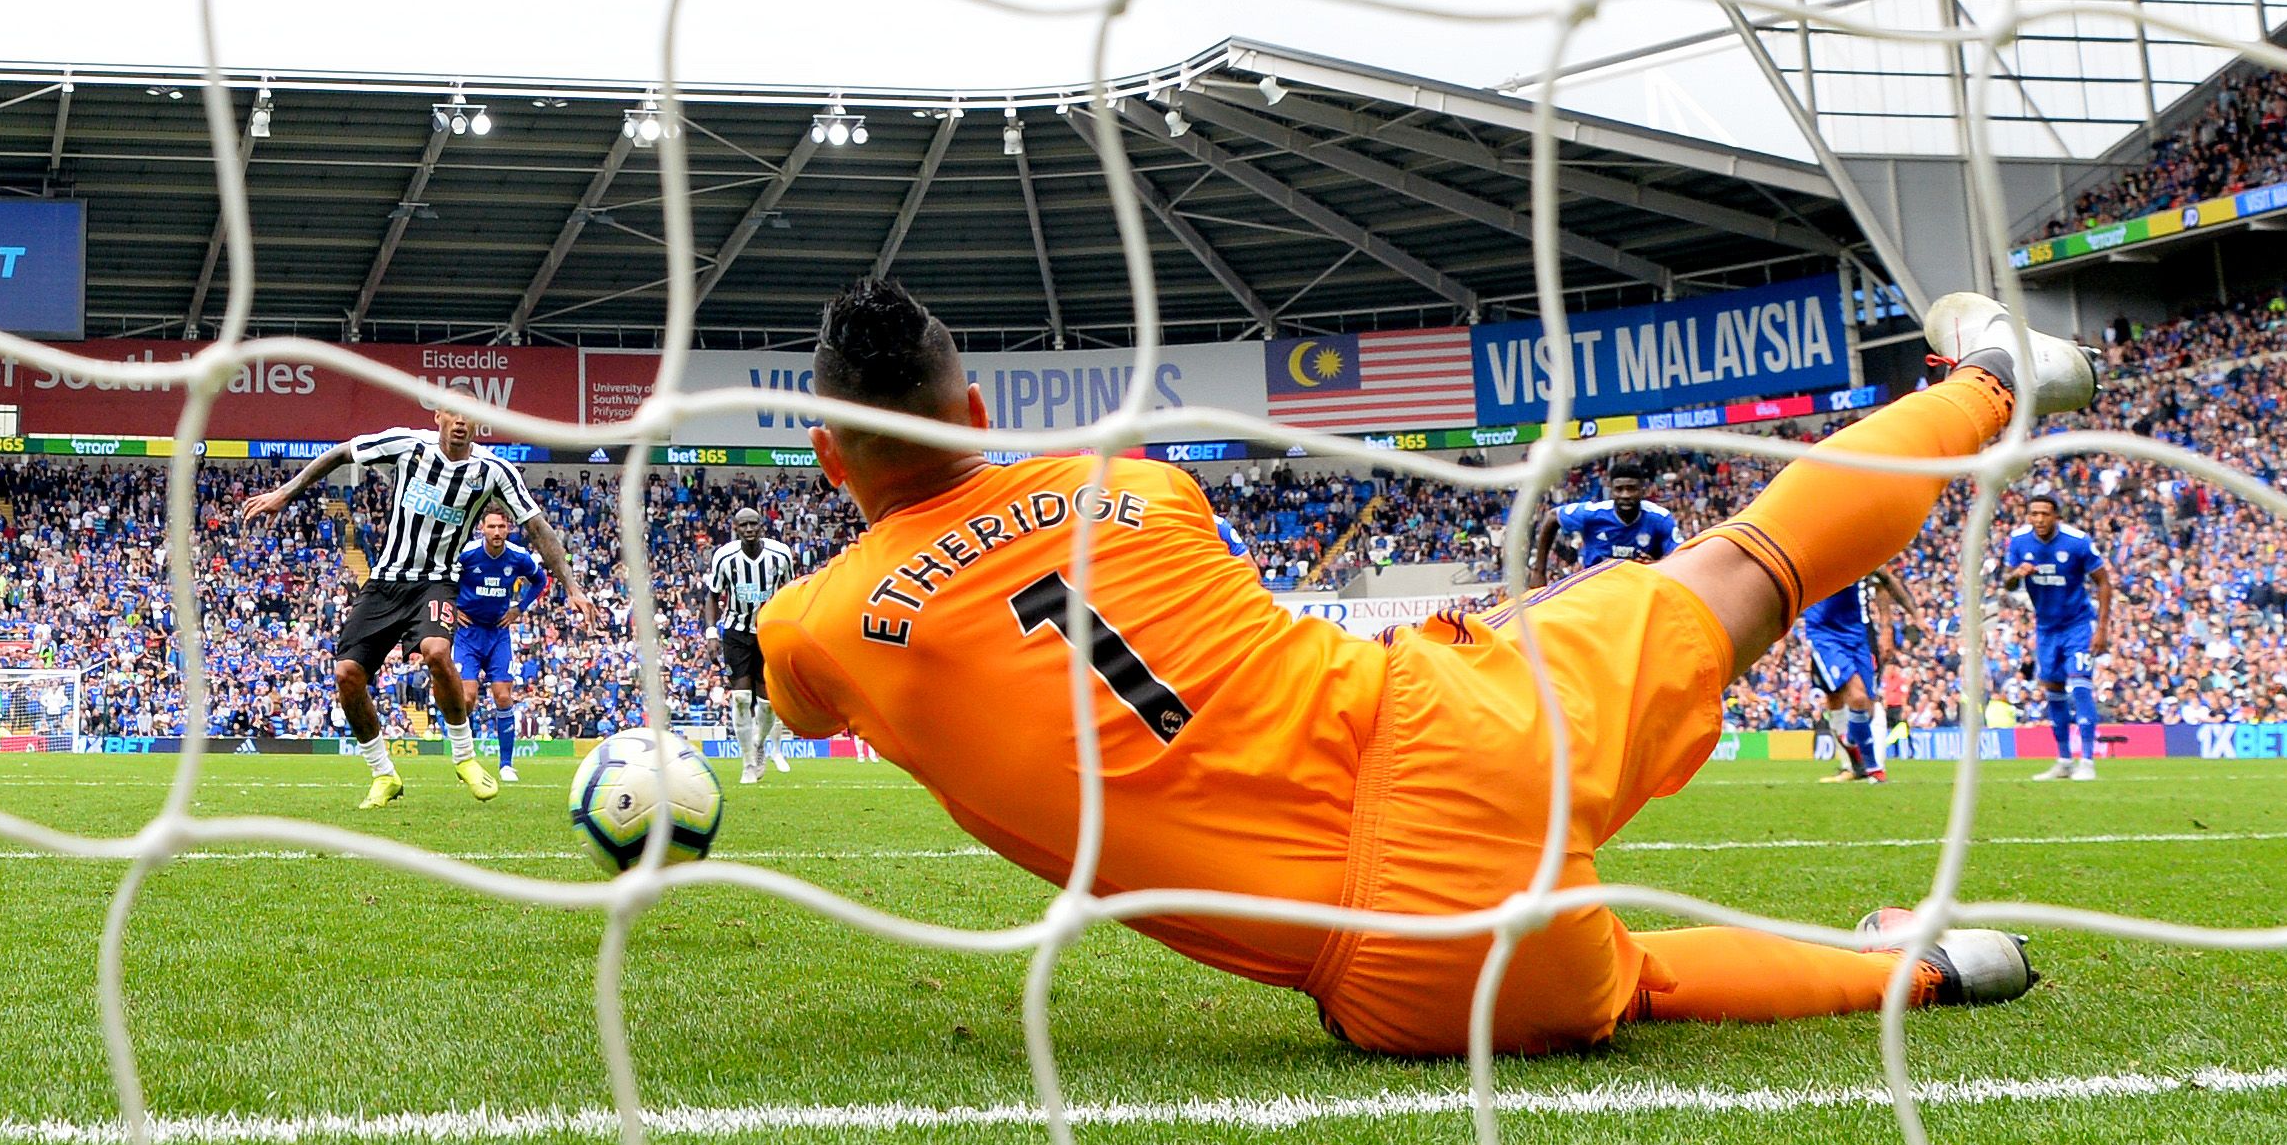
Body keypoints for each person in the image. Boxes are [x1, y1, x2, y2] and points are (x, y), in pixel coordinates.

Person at [757, 279, 2076, 1059]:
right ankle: (1988, 386)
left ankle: (1934, 969)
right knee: (1743, 569)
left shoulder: (819, 622)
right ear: (977, 411)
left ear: (826, 455)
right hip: (1445, 730)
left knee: (1627, 984)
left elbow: (798, 699)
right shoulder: (1138, 484)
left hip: (1390, 969)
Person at [241, 406, 599, 808]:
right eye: (453, 413)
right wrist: (284, 493)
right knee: (346, 674)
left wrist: (572, 586)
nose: (461, 421)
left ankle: (464, 758)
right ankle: (383, 774)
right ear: (438, 416)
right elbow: (342, 452)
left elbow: (536, 525)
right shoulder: (408, 445)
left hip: (437, 581)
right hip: (386, 581)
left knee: (437, 651)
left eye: (469, 415)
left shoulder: (493, 471)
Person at [2001, 487, 2116, 782]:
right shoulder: (2019, 541)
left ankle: (2087, 761)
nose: (2039, 519)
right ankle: (2064, 760)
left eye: (2044, 514)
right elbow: (2007, 583)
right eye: (2034, 514)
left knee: (2080, 686)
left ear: (2056, 517)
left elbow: (2104, 582)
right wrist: (2016, 574)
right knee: (2053, 691)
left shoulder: (2077, 541)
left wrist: (2102, 629)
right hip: (2046, 628)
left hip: (2077, 625)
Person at [452, 508, 547, 783]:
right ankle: (464, 760)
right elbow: (442, 578)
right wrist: (452, 607)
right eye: (491, 526)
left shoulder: (518, 556)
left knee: (503, 697)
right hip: (468, 634)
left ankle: (506, 765)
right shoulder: (467, 554)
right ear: (482, 528)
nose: (496, 532)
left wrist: (520, 608)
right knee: (467, 698)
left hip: (498, 633)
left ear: (509, 529)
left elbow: (540, 580)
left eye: (501, 527)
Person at [1799, 567, 1920, 784]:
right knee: (1835, 696)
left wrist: (1887, 627)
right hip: (1825, 633)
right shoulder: (1812, 553)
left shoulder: (1859, 552)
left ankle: (1867, 756)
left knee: (1865, 700)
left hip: (1860, 632)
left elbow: (1883, 581)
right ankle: (1855, 765)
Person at [704, 506, 797, 785]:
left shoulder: (780, 554)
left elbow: (790, 592)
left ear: (761, 526)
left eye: (753, 524)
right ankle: (747, 764)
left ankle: (758, 743)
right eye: (743, 525)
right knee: (741, 698)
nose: (748, 529)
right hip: (736, 632)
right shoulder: (724, 557)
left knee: (767, 704)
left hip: (768, 631)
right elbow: (712, 596)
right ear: (735, 528)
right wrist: (711, 632)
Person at [1529, 462, 1679, 587]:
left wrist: (1657, 564)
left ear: (1642, 490)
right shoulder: (1593, 513)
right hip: (1597, 588)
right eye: (1619, 489)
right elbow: (1552, 517)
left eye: (1631, 489)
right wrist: (1538, 572)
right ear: (1611, 491)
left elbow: (1680, 556)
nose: (1625, 495)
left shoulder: (1660, 518)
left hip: (1641, 589)